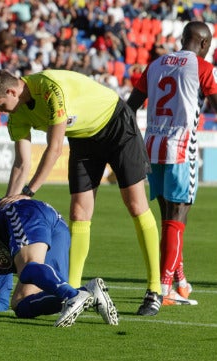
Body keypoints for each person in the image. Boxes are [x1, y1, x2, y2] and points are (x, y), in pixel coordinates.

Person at [0, 69, 161, 316]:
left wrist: (29, 191)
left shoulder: (49, 89)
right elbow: (21, 163)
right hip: (83, 137)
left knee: (136, 204)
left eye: (0, 105)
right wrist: (8, 203)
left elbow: (54, 149)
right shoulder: (16, 115)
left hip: (116, 125)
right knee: (78, 211)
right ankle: (75, 293)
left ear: (12, 91)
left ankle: (154, 289)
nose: (0, 112)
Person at [126, 21, 217, 306]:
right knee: (177, 219)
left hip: (152, 148)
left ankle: (181, 281)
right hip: (180, 149)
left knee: (168, 217)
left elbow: (131, 106)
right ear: (205, 45)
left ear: (182, 38)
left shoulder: (154, 65)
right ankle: (163, 289)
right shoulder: (203, 68)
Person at [0, 197, 118, 327]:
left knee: (27, 269)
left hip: (25, 213)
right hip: (55, 228)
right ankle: (88, 292)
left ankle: (72, 295)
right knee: (20, 304)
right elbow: (1, 300)